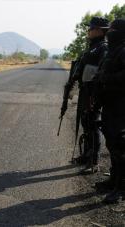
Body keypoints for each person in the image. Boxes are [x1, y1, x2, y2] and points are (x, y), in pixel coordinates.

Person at [61, 17, 109, 173]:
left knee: (93, 124)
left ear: (100, 30)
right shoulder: (91, 47)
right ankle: (87, 155)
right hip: (84, 91)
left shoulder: (103, 48)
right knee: (86, 123)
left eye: (91, 28)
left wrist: (95, 92)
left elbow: (101, 71)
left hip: (93, 93)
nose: (88, 30)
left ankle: (94, 162)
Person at [94, 18, 125, 204]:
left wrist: (108, 78)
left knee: (120, 147)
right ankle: (114, 180)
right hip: (110, 104)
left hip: (121, 107)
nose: (109, 32)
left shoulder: (123, 50)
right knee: (112, 145)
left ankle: (120, 188)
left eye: (112, 29)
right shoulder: (113, 50)